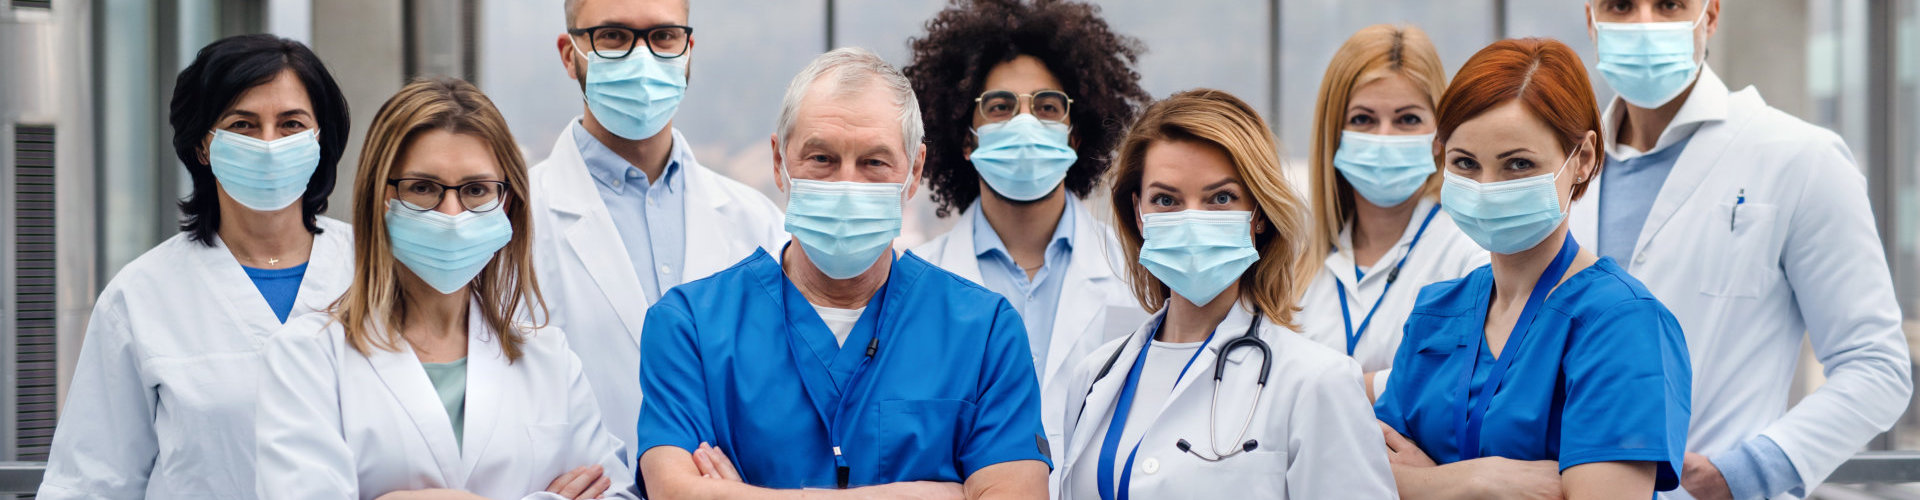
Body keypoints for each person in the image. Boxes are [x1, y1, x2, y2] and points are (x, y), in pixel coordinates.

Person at [633, 47, 1049, 498]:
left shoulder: (984, 331)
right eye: (821, 159)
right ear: (779, 162)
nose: (847, 184)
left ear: (913, 172)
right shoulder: (689, 327)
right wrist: (939, 493)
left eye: (874, 163)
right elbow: (674, 491)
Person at [1574, 1, 1913, 498]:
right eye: (1620, 6)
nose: (1644, 25)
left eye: (1669, 4)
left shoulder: (1800, 157)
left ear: (1709, 15)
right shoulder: (1564, 168)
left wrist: (1746, 472)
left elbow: (1876, 365)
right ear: (1591, 20)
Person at [254, 77, 634, 500]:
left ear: (505, 202)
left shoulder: (550, 359)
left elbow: (615, 491)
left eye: (475, 190)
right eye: (423, 188)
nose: (452, 213)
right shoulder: (306, 358)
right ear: (383, 197)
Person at [1372, 38, 1692, 499]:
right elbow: (1360, 476)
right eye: (1465, 163)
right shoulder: (1436, 313)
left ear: (1581, 159)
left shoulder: (1622, 324)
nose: (1486, 188)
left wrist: (1419, 485)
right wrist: (1477, 483)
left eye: (1518, 164)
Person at [37, 34, 354, 499]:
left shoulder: (376, 271)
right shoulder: (142, 295)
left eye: (291, 124)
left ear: (319, 139)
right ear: (203, 145)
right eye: (243, 124)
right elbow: (92, 482)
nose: (268, 144)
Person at [1057, 89, 1396, 500]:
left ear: (1257, 215)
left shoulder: (1316, 381)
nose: (1193, 219)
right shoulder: (1095, 377)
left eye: (1221, 198)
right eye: (1166, 200)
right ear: (1139, 213)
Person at [532, 0, 787, 467]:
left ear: (688, 51)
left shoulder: (757, 223)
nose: (642, 58)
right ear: (569, 55)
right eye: (613, 37)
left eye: (663, 38)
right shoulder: (516, 221)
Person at [901, 0, 1154, 463]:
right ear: (965, 136)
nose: (1025, 122)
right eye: (999, 107)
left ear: (1075, 135)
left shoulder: (1140, 270)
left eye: (1047, 106)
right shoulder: (913, 283)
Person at [1294, 24, 1488, 401]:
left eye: (1408, 119)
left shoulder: (1472, 256)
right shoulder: (1294, 267)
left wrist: (1318, 389)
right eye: (1363, 119)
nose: (1384, 137)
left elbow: (1462, 384)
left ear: (1439, 137)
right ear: (1333, 133)